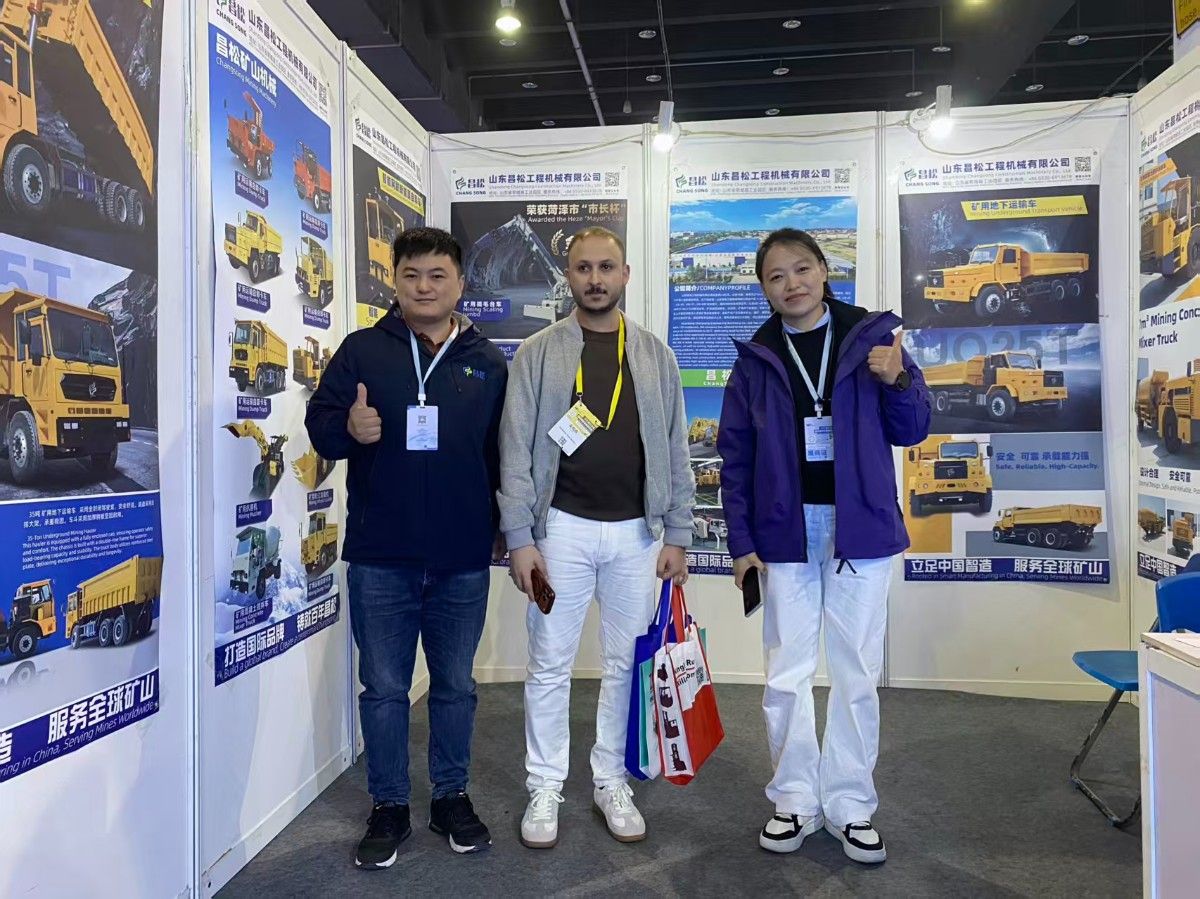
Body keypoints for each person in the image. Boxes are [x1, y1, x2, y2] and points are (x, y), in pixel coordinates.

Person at [717, 228, 930, 864]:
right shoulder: (757, 358)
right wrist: (741, 542)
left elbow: (914, 428)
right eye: (776, 276)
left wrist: (898, 379)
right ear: (764, 288)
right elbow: (734, 458)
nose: (792, 284)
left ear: (824, 271)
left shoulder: (872, 340)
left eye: (802, 269)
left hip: (859, 526)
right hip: (784, 531)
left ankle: (851, 805)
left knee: (856, 671)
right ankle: (794, 799)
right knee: (786, 671)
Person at [305, 227, 508, 867]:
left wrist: (510, 531)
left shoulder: (488, 363)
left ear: (460, 284)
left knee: (455, 686)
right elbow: (320, 427)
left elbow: (502, 456)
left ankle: (450, 796)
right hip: (381, 556)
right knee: (385, 688)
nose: (424, 287)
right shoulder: (362, 350)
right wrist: (349, 427)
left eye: (437, 275)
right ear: (394, 281)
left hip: (461, 557)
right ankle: (389, 803)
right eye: (411, 275)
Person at [498, 226, 695, 849]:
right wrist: (520, 537)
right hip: (560, 530)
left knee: (624, 665)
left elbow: (676, 448)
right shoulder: (538, 353)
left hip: (637, 535)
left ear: (625, 274)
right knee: (549, 663)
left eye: (606, 267)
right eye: (583, 268)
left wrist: (678, 532)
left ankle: (611, 779)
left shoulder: (655, 356)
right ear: (569, 275)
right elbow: (515, 451)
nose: (595, 279)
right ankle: (545, 785)